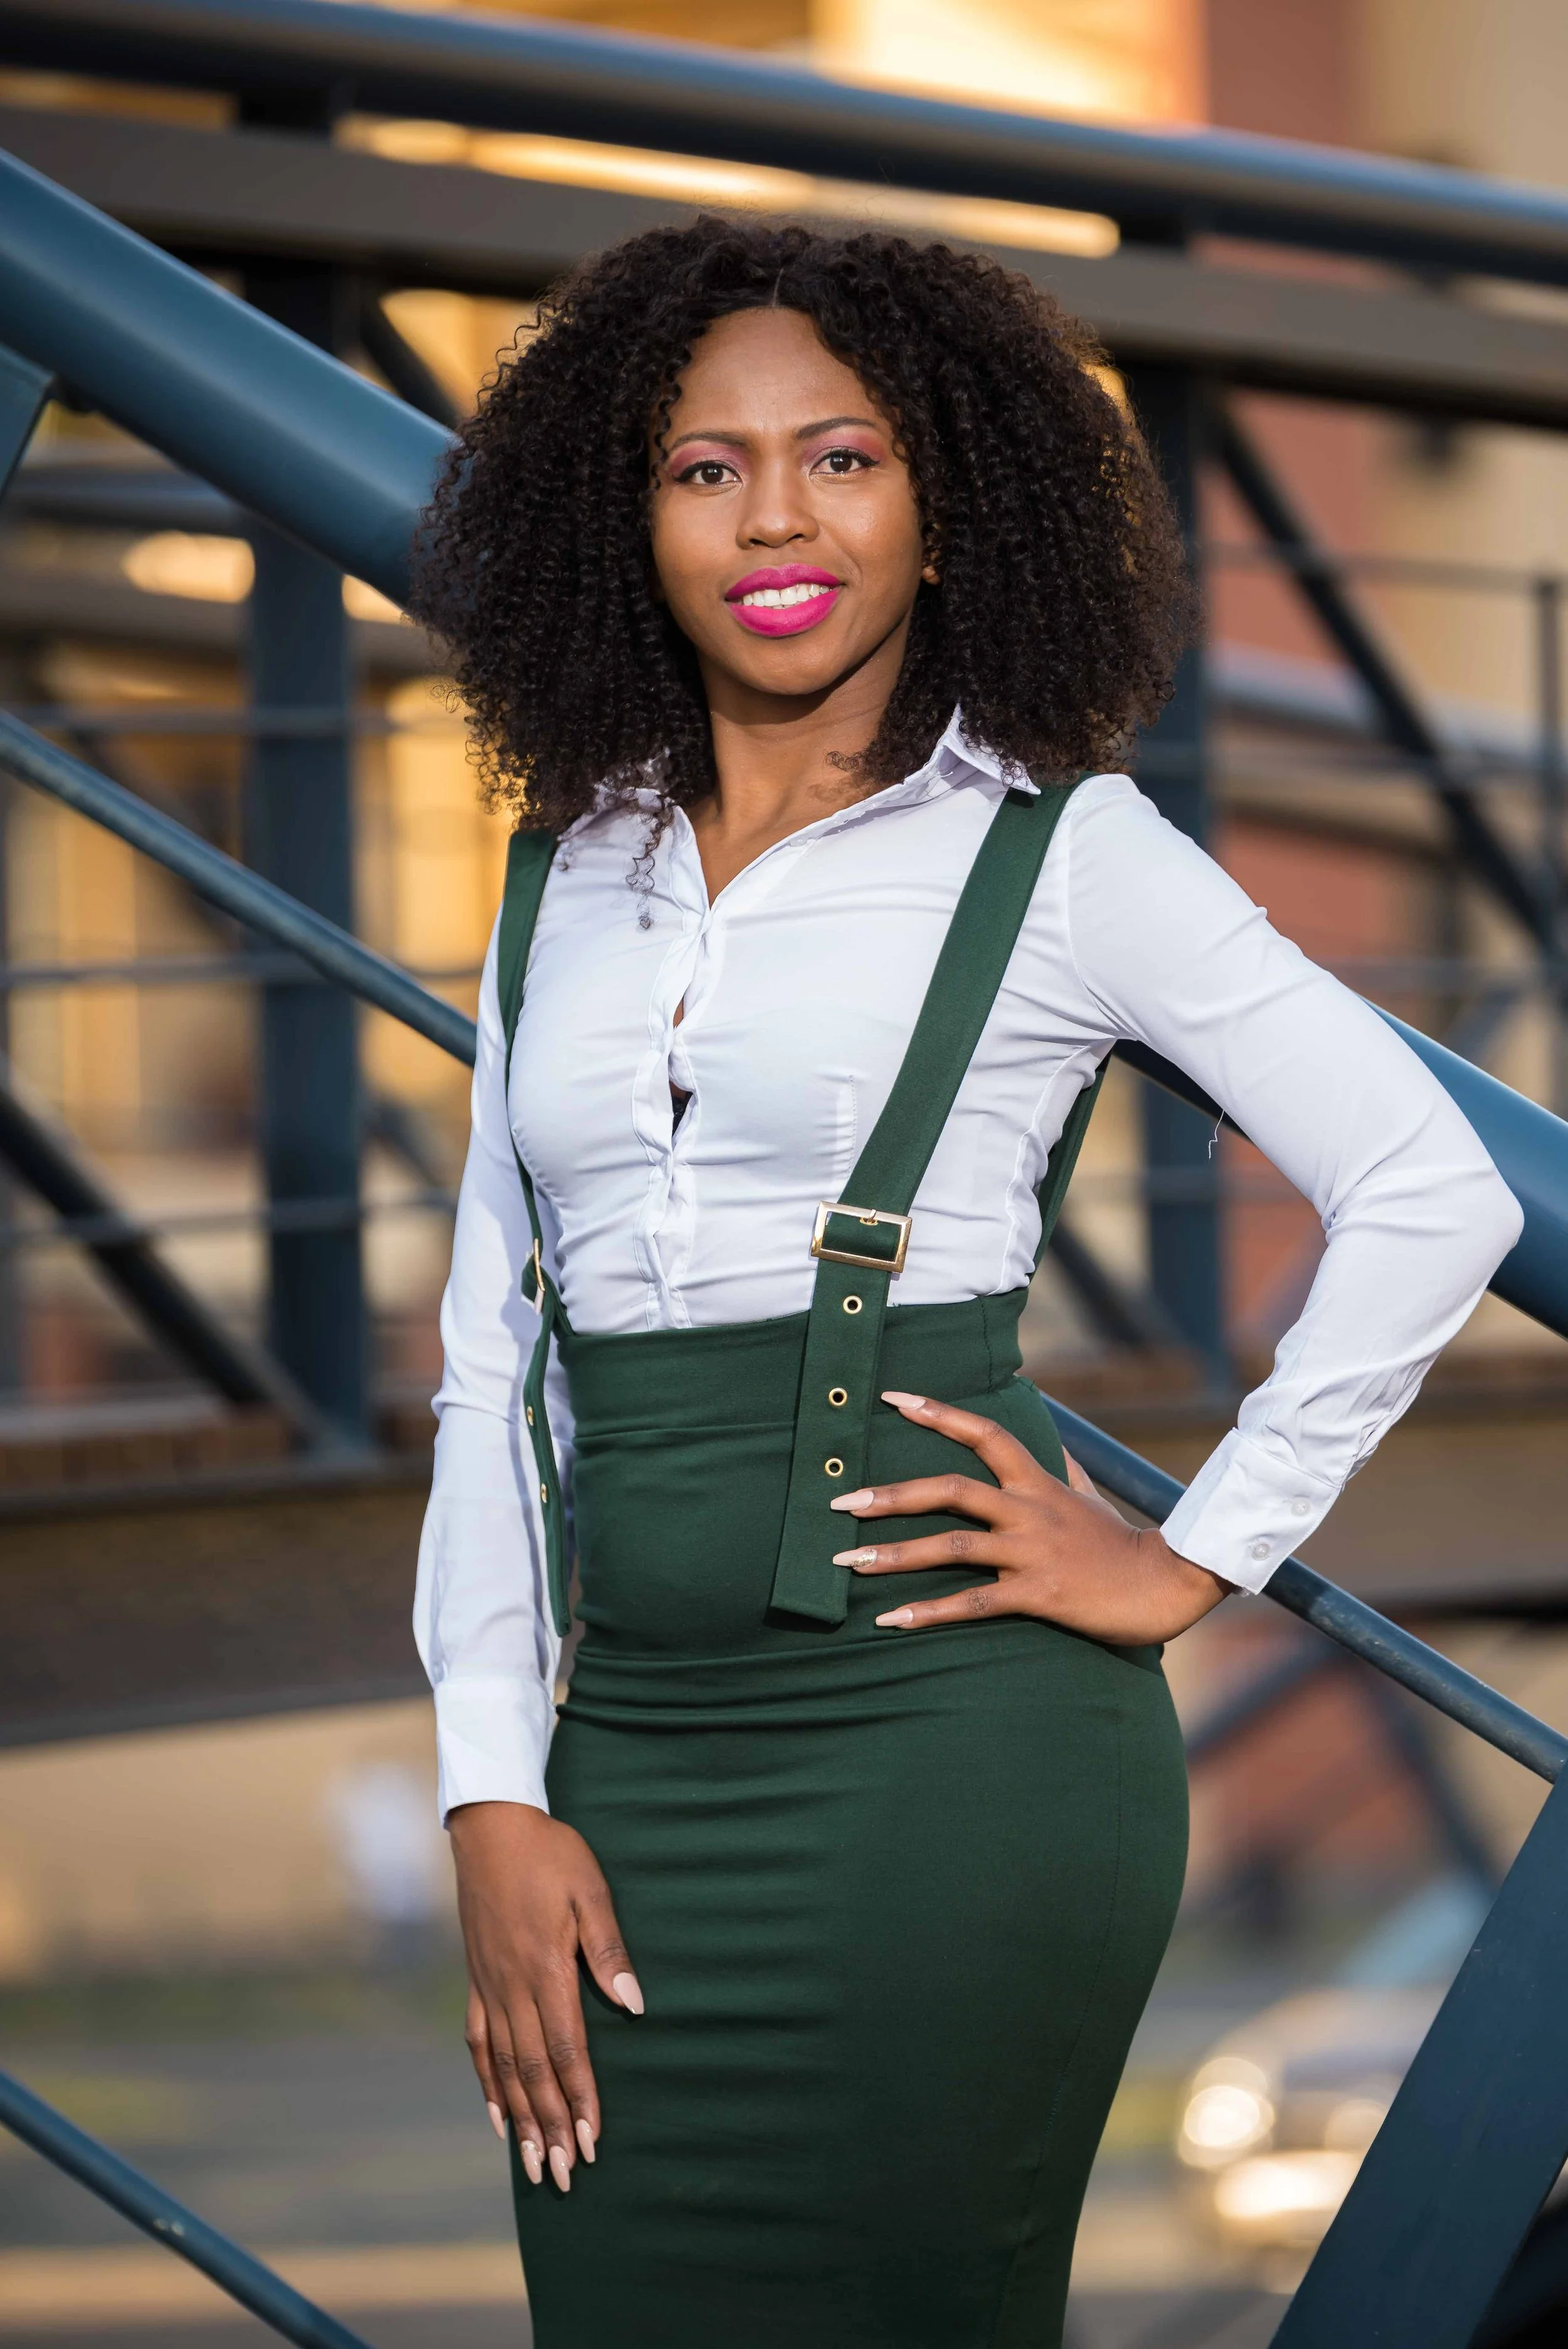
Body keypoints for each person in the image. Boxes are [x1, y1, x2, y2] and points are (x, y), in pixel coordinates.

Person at [410, 216, 1520, 2349]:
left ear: (947, 513)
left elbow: (1426, 1188)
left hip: (951, 1760)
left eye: (843, 457)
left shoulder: (1062, 851)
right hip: (626, 1762)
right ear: (626, 522)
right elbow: (491, 1371)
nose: (775, 520)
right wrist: (487, 1790)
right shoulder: (562, 876)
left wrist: (1193, 1560)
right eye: (705, 468)